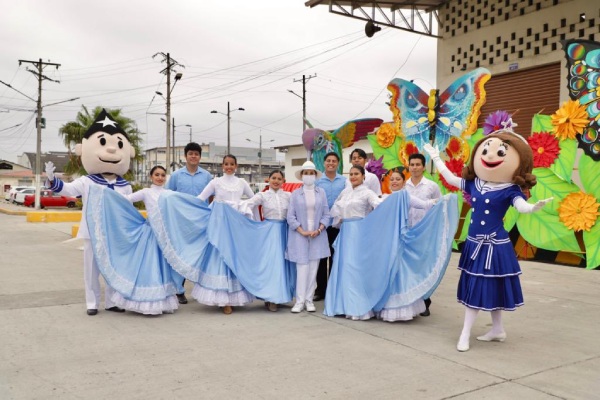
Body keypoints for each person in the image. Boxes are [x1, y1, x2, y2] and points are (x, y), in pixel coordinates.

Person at [424, 129, 552, 352]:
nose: (490, 156)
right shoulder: (475, 184)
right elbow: (452, 178)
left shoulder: (510, 189)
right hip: (475, 243)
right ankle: (497, 329)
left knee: (483, 286)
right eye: (486, 150)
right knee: (486, 285)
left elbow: (521, 206)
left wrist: (533, 207)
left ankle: (465, 333)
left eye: (500, 152)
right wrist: (436, 158)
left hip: (495, 244)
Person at [45, 109, 135, 316]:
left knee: (114, 267)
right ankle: (92, 302)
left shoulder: (125, 185)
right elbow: (68, 190)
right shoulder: (87, 181)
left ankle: (112, 301)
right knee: (91, 269)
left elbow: (128, 210)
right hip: (92, 232)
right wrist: (52, 179)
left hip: (115, 234)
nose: (112, 151)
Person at [84, 165, 180, 315]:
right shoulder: (146, 192)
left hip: (163, 235)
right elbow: (125, 200)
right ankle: (146, 301)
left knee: (161, 268)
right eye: (157, 175)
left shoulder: (169, 193)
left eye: (162, 175)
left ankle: (163, 300)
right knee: (149, 266)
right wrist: (104, 193)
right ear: (151, 177)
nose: (160, 177)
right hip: (149, 234)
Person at [195, 154, 255, 314]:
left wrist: (242, 206)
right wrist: (182, 202)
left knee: (234, 256)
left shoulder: (242, 182)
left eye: (232, 164)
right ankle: (223, 300)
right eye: (226, 164)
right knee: (220, 257)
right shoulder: (215, 182)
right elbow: (200, 198)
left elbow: (254, 198)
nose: (229, 167)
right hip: (219, 226)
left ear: (236, 166)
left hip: (236, 225)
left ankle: (234, 297)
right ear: (222, 166)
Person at [329, 165, 382, 320]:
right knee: (344, 267)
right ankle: (342, 305)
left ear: (363, 176)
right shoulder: (345, 192)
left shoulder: (367, 192)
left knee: (356, 268)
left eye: (356, 174)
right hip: (345, 232)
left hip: (360, 232)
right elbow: (334, 211)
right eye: (351, 174)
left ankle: (358, 306)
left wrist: (394, 200)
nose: (353, 176)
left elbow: (379, 205)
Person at [165, 142, 213, 305]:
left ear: (200, 157)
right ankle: (178, 290)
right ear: (185, 156)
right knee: (181, 255)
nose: (193, 156)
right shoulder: (176, 176)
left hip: (201, 222)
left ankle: (203, 290)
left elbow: (212, 198)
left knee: (200, 255)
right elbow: (167, 196)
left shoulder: (207, 176)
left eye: (196, 154)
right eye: (190, 153)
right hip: (181, 223)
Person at [240, 170, 294, 312]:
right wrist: (226, 205)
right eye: (273, 178)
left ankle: (282, 295)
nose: (276, 181)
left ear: (284, 181)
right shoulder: (262, 195)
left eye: (279, 178)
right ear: (268, 179)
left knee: (284, 264)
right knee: (272, 265)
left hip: (285, 231)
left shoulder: (289, 196)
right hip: (269, 232)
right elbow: (246, 205)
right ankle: (271, 298)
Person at [286, 161, 331, 313]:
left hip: (317, 235)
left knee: (313, 269)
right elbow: (290, 216)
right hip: (300, 235)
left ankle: (309, 300)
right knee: (302, 268)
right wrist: (301, 230)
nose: (309, 176)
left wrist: (319, 229)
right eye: (306, 173)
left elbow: (327, 214)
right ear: (302, 176)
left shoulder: (321, 193)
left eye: (311, 173)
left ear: (315, 176)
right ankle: (299, 301)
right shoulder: (295, 194)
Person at [404, 153, 442, 316]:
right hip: (407, 232)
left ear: (424, 167)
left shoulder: (432, 186)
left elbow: (438, 207)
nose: (414, 167)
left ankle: (425, 302)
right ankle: (410, 302)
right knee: (408, 269)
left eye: (418, 164)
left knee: (423, 268)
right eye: (412, 164)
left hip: (425, 233)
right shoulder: (403, 185)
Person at [315, 152, 347, 301]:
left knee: (336, 257)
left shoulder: (345, 181)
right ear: (324, 163)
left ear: (338, 163)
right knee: (321, 258)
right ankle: (320, 290)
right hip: (322, 224)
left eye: (334, 161)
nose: (331, 163)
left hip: (338, 224)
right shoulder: (318, 181)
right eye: (328, 161)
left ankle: (333, 290)